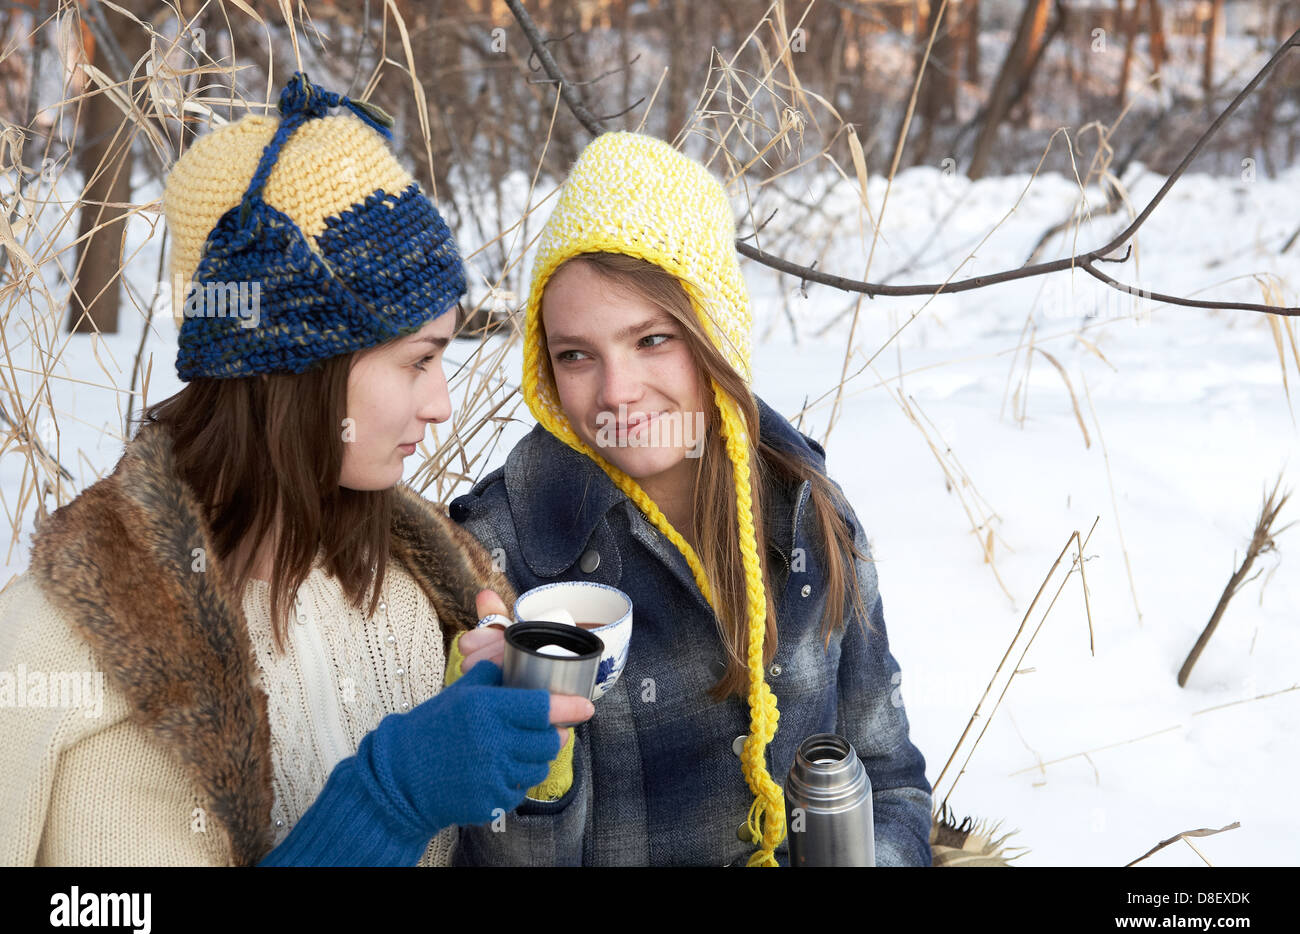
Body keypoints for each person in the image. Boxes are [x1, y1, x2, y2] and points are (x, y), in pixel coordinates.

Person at [0, 72, 590, 867]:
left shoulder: (420, 600)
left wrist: (503, 739)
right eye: (417, 361)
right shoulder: (47, 644)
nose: (442, 403)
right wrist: (387, 802)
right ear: (297, 372)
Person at [449, 131, 934, 867]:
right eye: (575, 354)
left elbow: (891, 780)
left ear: (713, 335)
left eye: (650, 340)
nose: (615, 392)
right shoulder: (501, 556)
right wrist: (531, 772)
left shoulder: (808, 510)